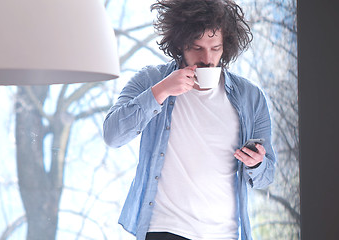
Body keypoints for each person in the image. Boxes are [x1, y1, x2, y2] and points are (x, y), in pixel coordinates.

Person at [103, 0, 276, 239]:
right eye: (197, 47)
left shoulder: (251, 97)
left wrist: (256, 163)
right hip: (165, 229)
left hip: (224, 234)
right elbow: (113, 135)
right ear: (180, 44)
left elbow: (267, 176)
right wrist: (160, 91)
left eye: (215, 48)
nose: (207, 58)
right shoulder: (150, 79)